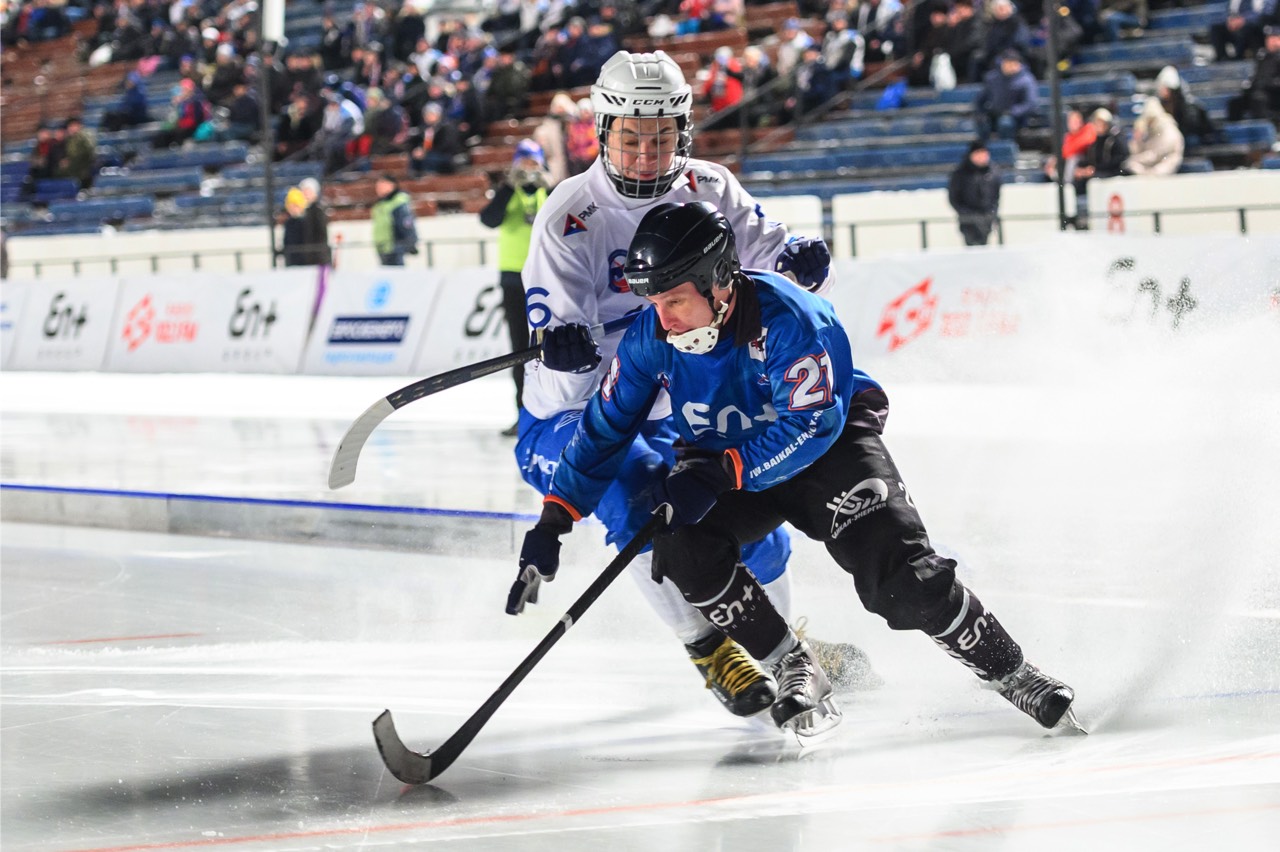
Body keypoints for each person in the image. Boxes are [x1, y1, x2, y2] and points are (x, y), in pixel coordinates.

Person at [516, 201, 1082, 737]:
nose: (662, 319)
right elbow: (603, 429)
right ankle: (792, 662)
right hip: (728, 461)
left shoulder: (791, 317)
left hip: (824, 451)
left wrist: (724, 471)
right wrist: (555, 516)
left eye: (674, 302)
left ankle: (1013, 672)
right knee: (680, 546)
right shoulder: (650, 338)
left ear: (719, 281)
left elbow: (811, 426)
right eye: (653, 303)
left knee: (902, 584)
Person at [504, 51, 874, 721]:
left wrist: (805, 267)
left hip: (680, 399)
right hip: (578, 413)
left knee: (740, 508)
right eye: (630, 137)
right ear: (603, 130)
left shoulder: (710, 186)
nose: (647, 153)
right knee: (642, 494)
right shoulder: (571, 214)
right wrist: (566, 346)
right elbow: (562, 347)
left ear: (684, 131)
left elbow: (771, 271)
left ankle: (787, 645)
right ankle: (710, 649)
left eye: (662, 136)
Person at [480, 140, 551, 435]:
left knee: (549, 347)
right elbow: (488, 219)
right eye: (524, 163)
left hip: (546, 279)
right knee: (519, 349)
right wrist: (509, 187)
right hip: (513, 278)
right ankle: (523, 413)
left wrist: (550, 183)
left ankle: (552, 410)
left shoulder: (550, 190)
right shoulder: (508, 193)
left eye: (533, 162)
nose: (528, 169)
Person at [1072, 108, 1129, 228]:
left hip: (1112, 172)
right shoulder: (1095, 142)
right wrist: (1082, 169)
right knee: (1078, 180)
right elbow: (1091, 159)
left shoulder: (1115, 139)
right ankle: (1079, 214)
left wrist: (1095, 169)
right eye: (1096, 123)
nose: (1099, 126)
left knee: (1092, 179)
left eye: (1101, 123)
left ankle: (1086, 214)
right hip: (1099, 171)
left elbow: (1119, 158)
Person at [974, 50, 1039, 142]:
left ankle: (1005, 149)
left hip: (1017, 118)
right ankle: (984, 149)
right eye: (1007, 63)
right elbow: (980, 99)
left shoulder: (1026, 80)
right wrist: (980, 113)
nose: (1010, 66)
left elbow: (1030, 103)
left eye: (1013, 63)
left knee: (1005, 123)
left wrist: (1013, 112)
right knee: (982, 122)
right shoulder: (992, 78)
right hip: (995, 114)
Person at [948, 139, 1001, 246]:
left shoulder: (993, 172)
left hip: (987, 218)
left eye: (985, 154)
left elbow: (996, 196)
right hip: (968, 220)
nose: (983, 157)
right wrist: (968, 215)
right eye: (979, 154)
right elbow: (954, 198)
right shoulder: (960, 173)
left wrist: (992, 213)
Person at [1123, 96, 1184, 176]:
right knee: (1131, 165)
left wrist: (1137, 158)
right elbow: (1136, 152)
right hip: (1150, 163)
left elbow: (1158, 154)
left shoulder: (1168, 128)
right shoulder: (1147, 128)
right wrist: (1137, 139)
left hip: (1166, 161)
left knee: (1157, 172)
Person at [370, 174, 419, 266]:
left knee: (397, 276)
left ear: (391, 185)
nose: (378, 188)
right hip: (382, 247)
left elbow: (406, 224)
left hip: (395, 247)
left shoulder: (398, 203)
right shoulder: (379, 204)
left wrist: (410, 242)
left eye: (381, 185)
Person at [297, 178, 332, 267]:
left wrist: (315, 254)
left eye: (307, 191)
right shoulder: (307, 211)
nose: (305, 194)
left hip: (317, 258)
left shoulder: (317, 211)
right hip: (311, 257)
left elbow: (320, 235)